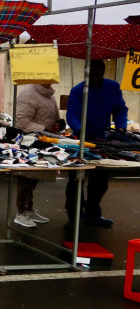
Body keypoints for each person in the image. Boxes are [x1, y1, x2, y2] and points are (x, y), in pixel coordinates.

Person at [64, 59, 129, 229]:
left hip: (103, 139)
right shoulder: (78, 90)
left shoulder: (112, 87)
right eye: (92, 75)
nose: (95, 79)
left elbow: (121, 109)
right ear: (86, 73)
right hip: (82, 139)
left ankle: (92, 213)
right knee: (76, 180)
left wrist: (121, 126)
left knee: (100, 181)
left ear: (103, 72)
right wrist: (80, 130)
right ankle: (74, 217)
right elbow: (71, 114)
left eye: (98, 75)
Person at [12, 83, 63, 228]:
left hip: (42, 140)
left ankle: (29, 209)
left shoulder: (48, 93)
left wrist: (57, 125)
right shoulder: (28, 93)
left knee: (34, 177)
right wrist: (45, 129)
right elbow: (21, 121)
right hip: (30, 141)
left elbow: (45, 116)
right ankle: (21, 212)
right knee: (26, 176)